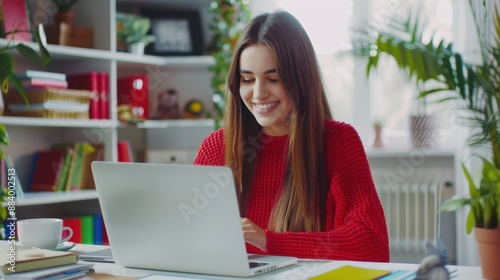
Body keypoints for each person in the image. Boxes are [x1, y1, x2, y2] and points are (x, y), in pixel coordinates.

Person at [194, 10, 389, 262]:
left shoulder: (338, 142)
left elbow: (371, 244)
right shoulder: (216, 147)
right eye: (247, 79)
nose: (258, 93)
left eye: (273, 79)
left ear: (300, 79)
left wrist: (268, 241)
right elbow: (187, 235)